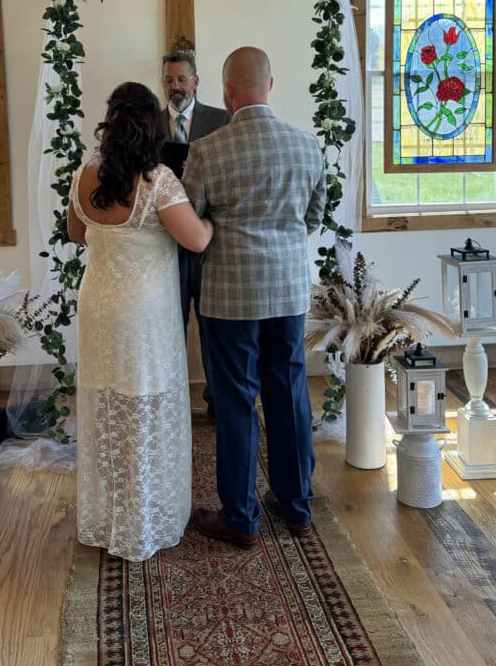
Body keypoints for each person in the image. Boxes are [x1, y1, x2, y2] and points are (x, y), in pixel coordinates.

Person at [182, 47, 327, 549]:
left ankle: (241, 517)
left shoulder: (207, 150)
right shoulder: (307, 146)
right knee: (288, 394)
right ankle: (297, 505)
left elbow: (193, 224)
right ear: (271, 85)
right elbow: (314, 219)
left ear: (224, 90)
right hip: (288, 291)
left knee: (237, 402)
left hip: (228, 299)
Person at [67, 82, 214, 561]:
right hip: (143, 313)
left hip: (97, 305)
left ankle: (107, 516)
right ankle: (146, 519)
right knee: (146, 407)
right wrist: (211, 221)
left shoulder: (85, 175)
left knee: (107, 406)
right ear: (152, 126)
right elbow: (195, 240)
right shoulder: (159, 182)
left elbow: (76, 231)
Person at [158, 51, 229, 418]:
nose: (175, 87)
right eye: (169, 80)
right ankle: (171, 405)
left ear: (196, 81)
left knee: (212, 329)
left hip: (209, 243)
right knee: (168, 327)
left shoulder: (220, 120)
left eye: (182, 79)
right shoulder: (151, 124)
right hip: (163, 245)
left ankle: (217, 401)